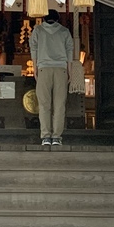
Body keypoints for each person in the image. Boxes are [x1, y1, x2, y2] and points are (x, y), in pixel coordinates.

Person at [29, 9, 74, 146]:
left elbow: (34, 50)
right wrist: (69, 70)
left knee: (44, 105)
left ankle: (46, 136)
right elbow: (70, 51)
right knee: (59, 105)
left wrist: (35, 69)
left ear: (43, 19)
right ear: (58, 19)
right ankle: (56, 137)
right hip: (61, 69)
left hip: (43, 68)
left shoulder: (38, 30)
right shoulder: (64, 31)